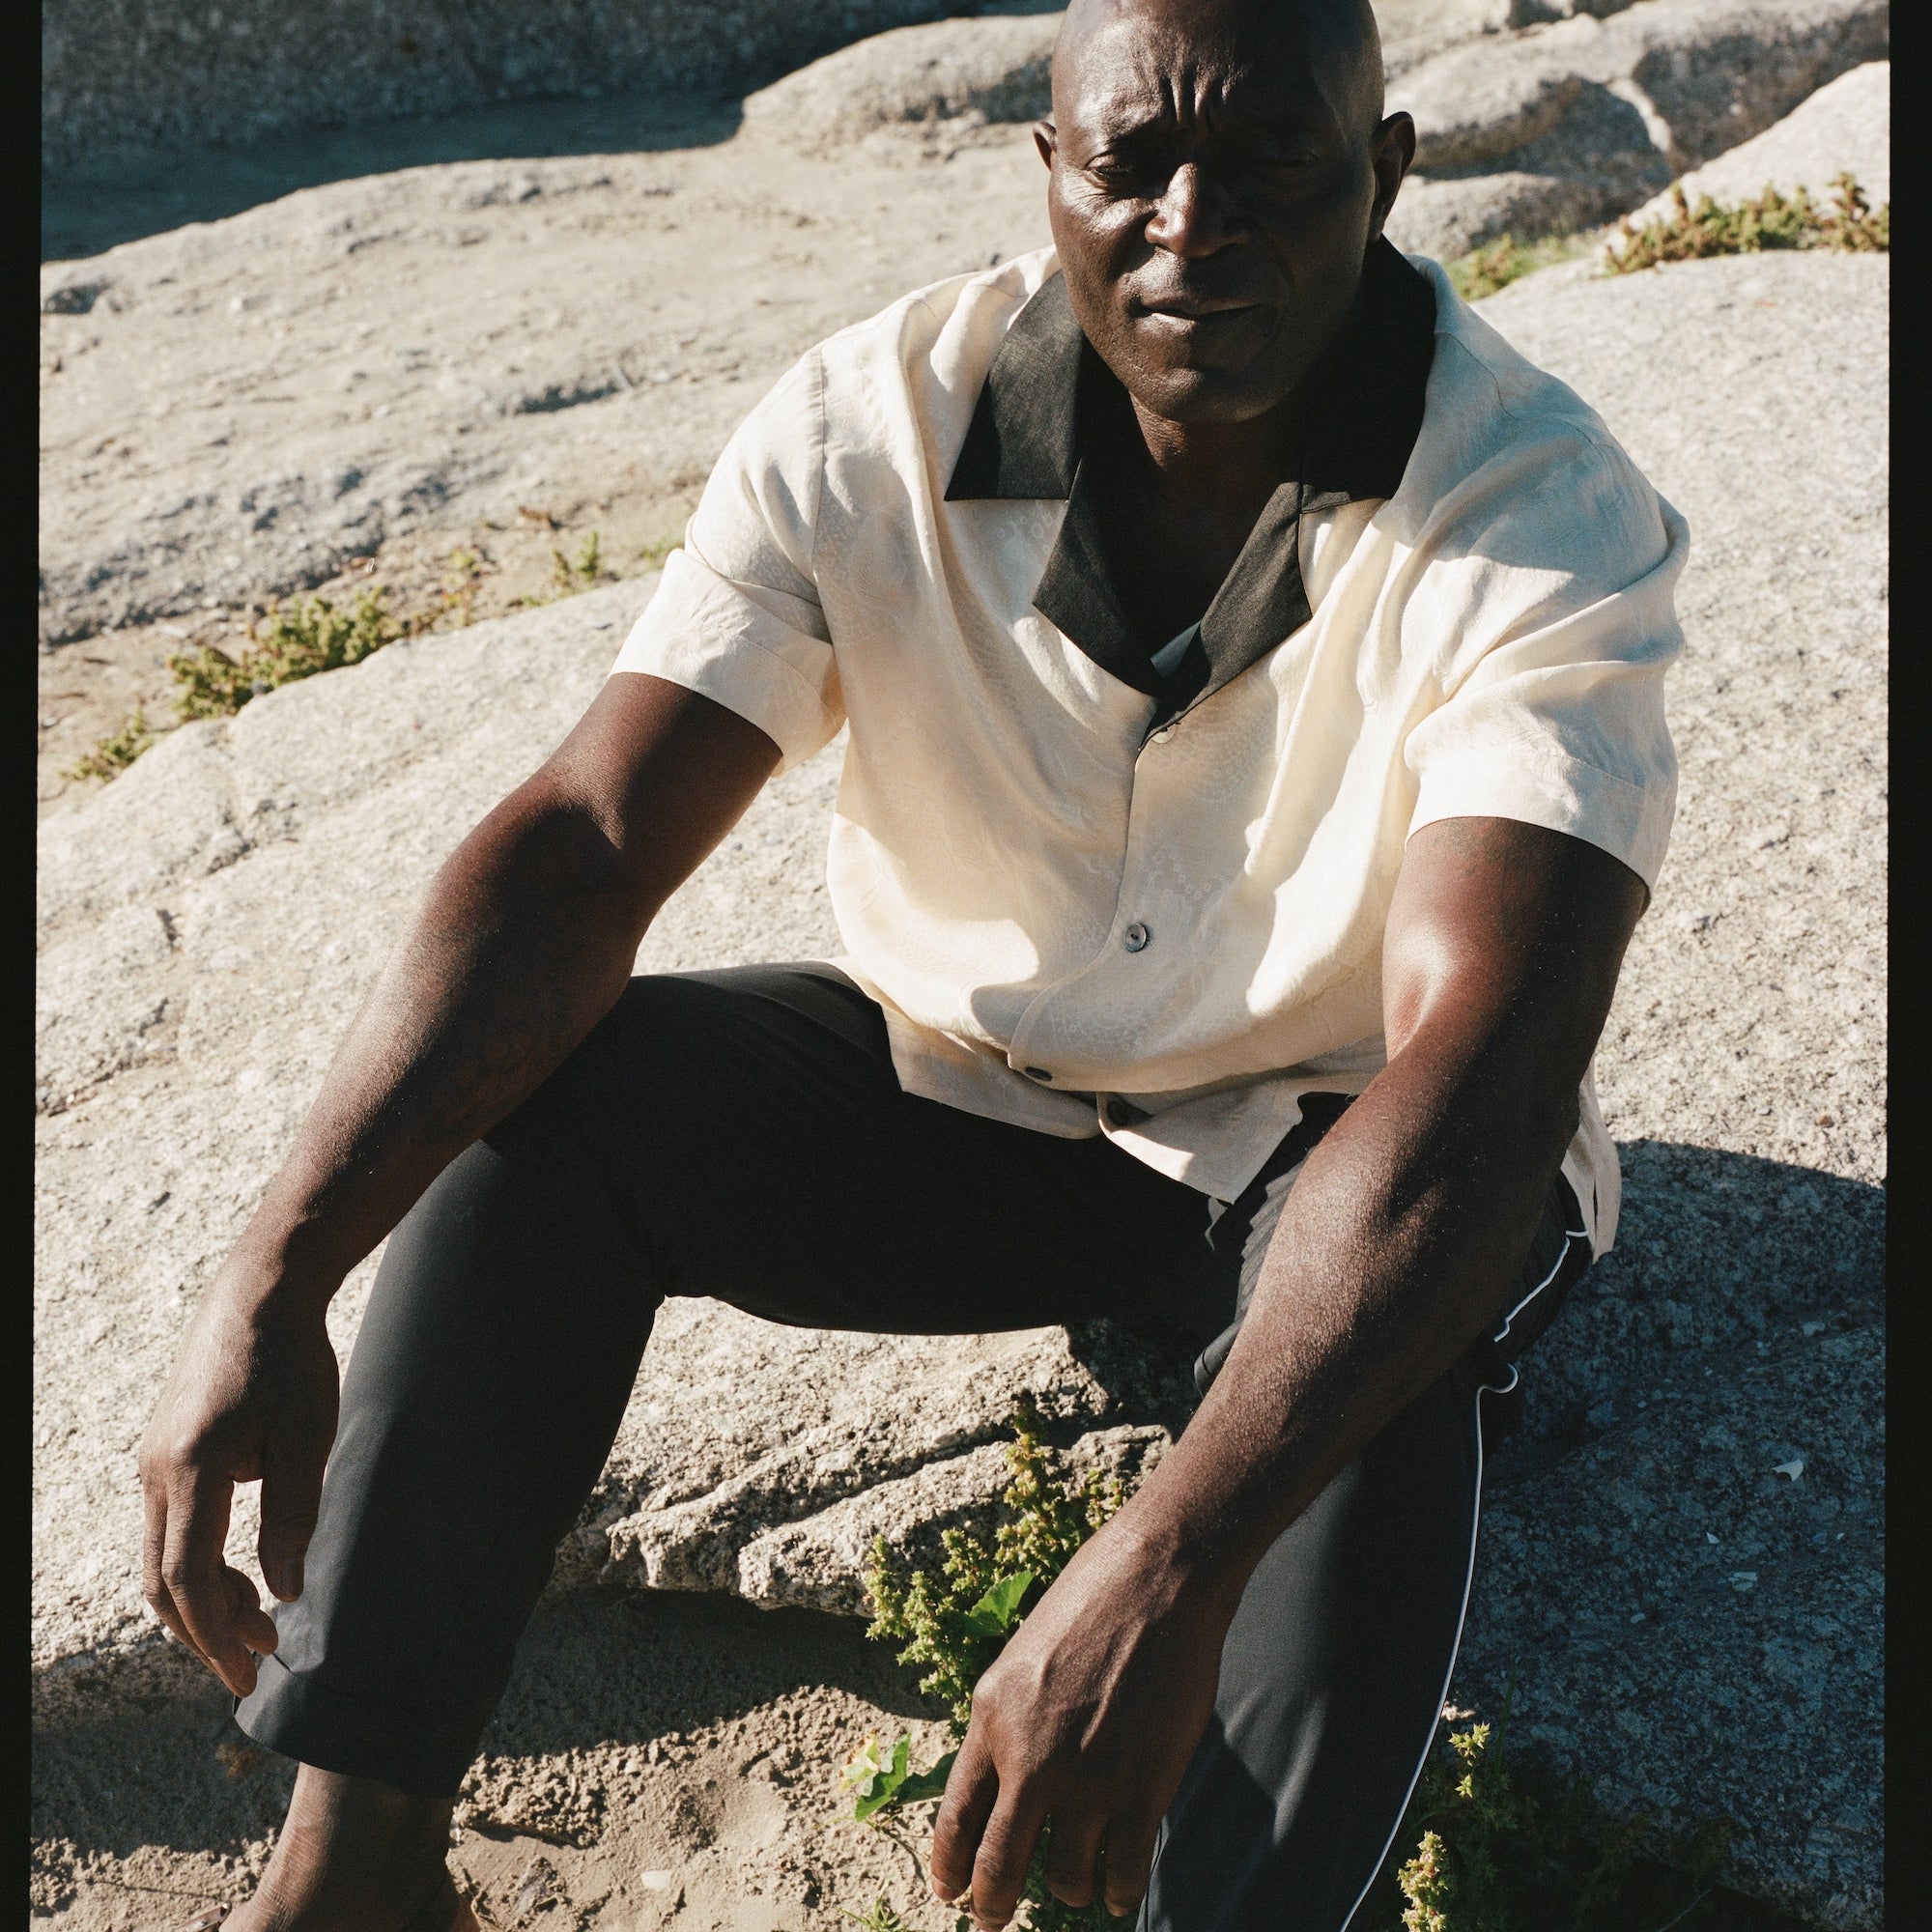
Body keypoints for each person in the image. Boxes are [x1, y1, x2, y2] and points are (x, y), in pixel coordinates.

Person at [137, 0, 1686, 1925]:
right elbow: (589, 841)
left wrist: (1162, 1553)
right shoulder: (872, 415)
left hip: (1336, 1145)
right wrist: (275, 1268)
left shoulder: (1534, 508)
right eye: (1131, 164)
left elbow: (1483, 1076)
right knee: (535, 1117)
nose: (1194, 225)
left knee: (1374, 1399)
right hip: (965, 1097)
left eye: (1277, 163)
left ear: (1384, 175)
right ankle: (354, 1868)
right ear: (1048, 176)